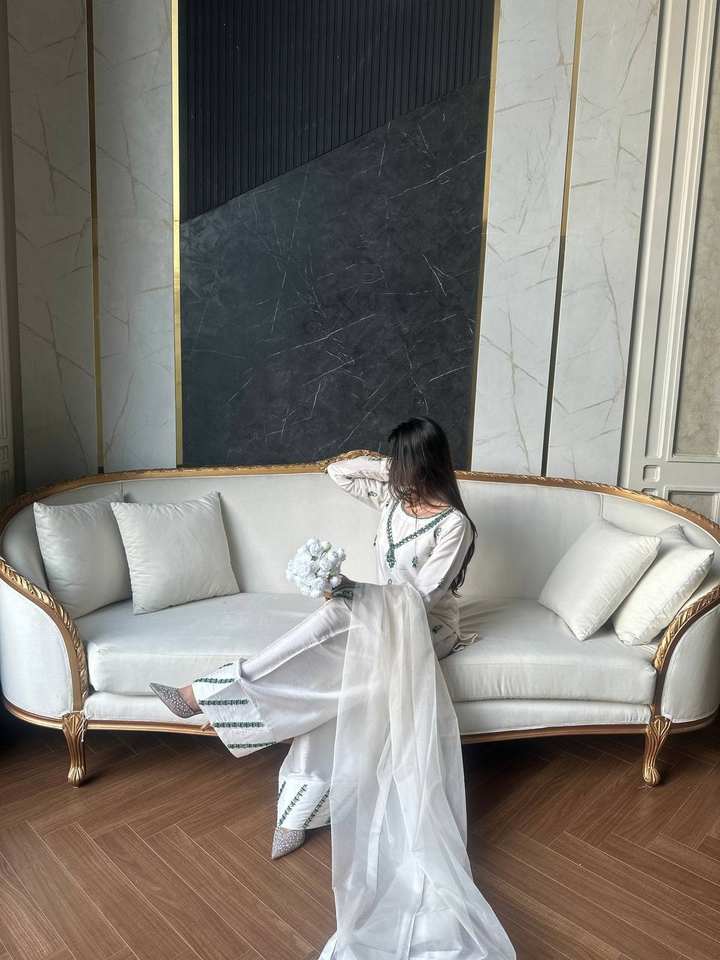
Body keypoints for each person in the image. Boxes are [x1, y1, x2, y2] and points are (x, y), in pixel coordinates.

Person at [151, 417, 480, 856]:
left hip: (425, 627)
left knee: (336, 615)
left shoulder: (454, 525)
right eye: (395, 462)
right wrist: (391, 468)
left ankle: (213, 697)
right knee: (335, 679)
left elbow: (419, 600)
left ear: (425, 463)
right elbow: (338, 471)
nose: (396, 471)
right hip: (377, 615)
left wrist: (354, 591)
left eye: (404, 461)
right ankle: (292, 802)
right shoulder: (392, 498)